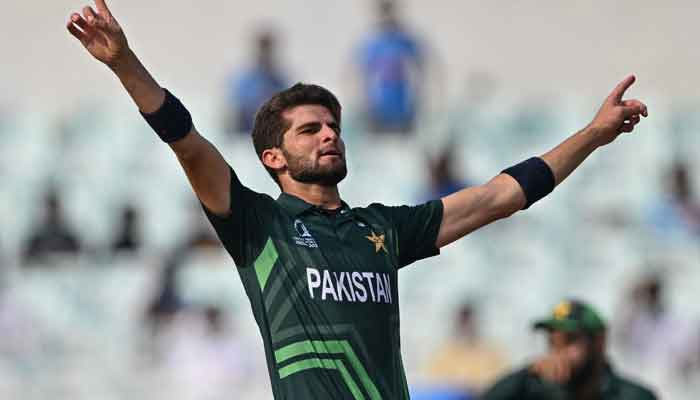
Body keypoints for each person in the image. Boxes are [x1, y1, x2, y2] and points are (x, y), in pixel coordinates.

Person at [66, 2, 647, 398]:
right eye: (309, 129)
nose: (329, 135)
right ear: (273, 157)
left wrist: (593, 135)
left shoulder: (383, 229)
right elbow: (187, 143)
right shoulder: (257, 223)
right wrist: (124, 63)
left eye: (334, 126)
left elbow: (500, 196)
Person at [482, 300, 658, 400]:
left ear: (599, 341)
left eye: (569, 341)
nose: (558, 353)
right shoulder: (532, 390)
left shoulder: (633, 396)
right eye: (552, 343)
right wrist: (527, 373)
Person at [356, 0, 425, 133]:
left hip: (402, 103)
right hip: (379, 104)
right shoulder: (373, 43)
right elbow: (364, 76)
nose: (387, 17)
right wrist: (365, 105)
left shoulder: (404, 40)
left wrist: (418, 99)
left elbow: (419, 67)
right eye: (384, 13)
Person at [226, 30, 288, 134]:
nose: (265, 54)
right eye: (263, 49)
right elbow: (236, 103)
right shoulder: (245, 78)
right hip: (247, 129)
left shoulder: (279, 79)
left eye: (268, 50)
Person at [22, 188, 81, 265]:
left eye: (54, 208)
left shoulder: (68, 238)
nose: (52, 212)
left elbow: (79, 258)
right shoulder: (37, 240)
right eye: (49, 208)